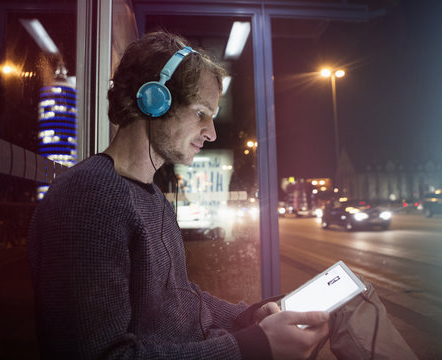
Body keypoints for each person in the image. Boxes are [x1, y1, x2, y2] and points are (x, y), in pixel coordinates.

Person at [28, 31, 416, 359]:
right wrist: (252, 346)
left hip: (212, 344)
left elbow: (180, 297)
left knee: (350, 297)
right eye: (201, 113)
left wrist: (249, 317)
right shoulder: (89, 197)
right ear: (154, 101)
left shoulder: (150, 198)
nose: (212, 133)